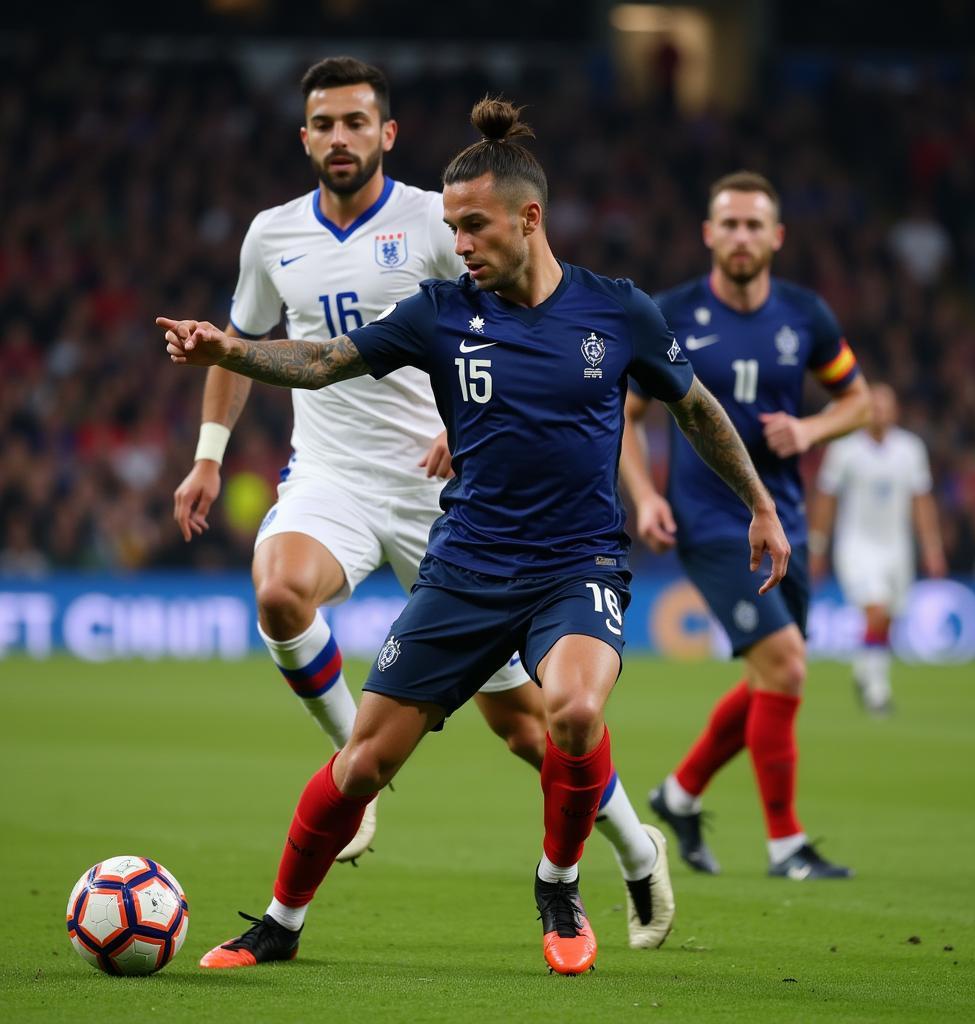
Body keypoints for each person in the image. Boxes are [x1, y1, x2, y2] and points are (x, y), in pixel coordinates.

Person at [158, 99, 791, 975]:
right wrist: (229, 350)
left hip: (577, 562)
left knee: (571, 713)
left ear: (530, 219)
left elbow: (695, 408)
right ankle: (280, 921)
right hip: (465, 565)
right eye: (451, 228)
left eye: (474, 227)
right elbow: (328, 360)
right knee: (362, 765)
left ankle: (558, 882)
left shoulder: (618, 312)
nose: (459, 244)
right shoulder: (441, 312)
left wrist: (759, 503)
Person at [621, 170, 871, 880]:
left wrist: (812, 425)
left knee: (774, 674)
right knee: (787, 664)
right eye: (728, 224)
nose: (740, 236)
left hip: (785, 519)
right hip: (709, 520)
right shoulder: (669, 315)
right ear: (708, 234)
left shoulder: (805, 316)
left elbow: (859, 400)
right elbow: (626, 420)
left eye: (753, 225)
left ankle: (679, 793)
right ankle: (786, 844)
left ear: (776, 237)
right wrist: (644, 495)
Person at [808, 382, 947, 713]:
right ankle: (877, 690)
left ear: (896, 411)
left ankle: (864, 669)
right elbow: (826, 499)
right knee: (877, 609)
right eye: (875, 405)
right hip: (856, 545)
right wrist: (817, 546)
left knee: (889, 617)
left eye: (887, 405)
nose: (881, 412)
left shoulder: (910, 450)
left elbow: (922, 502)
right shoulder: (845, 449)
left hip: (896, 547)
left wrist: (932, 547)